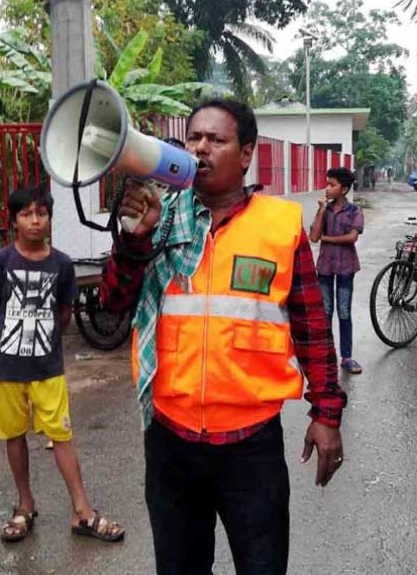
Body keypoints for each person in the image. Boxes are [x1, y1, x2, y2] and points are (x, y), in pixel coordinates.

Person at [101, 99, 346, 574]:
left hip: (251, 449)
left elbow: (311, 326)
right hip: (171, 441)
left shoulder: (278, 225)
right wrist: (134, 240)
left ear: (247, 153)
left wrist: (327, 413)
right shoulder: (161, 218)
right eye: (194, 138)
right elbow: (112, 308)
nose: (201, 149)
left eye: (217, 140)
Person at [0, 186, 124, 544]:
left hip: (47, 367)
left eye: (41, 213)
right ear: (14, 220)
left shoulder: (61, 264)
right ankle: (25, 505)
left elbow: (64, 313)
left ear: (49, 219)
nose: (35, 220)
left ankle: (82, 511)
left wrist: (44, 343)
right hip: (7, 368)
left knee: (61, 435)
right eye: (26, 214)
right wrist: (3, 347)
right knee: (14, 434)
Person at [309, 167, 364, 375]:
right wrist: (322, 210)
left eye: (332, 185)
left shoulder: (354, 211)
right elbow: (314, 237)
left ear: (344, 189)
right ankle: (325, 354)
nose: (327, 188)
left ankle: (347, 357)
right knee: (325, 313)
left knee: (344, 312)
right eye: (327, 184)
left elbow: (352, 238)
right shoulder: (325, 210)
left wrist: (327, 238)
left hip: (345, 268)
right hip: (325, 267)